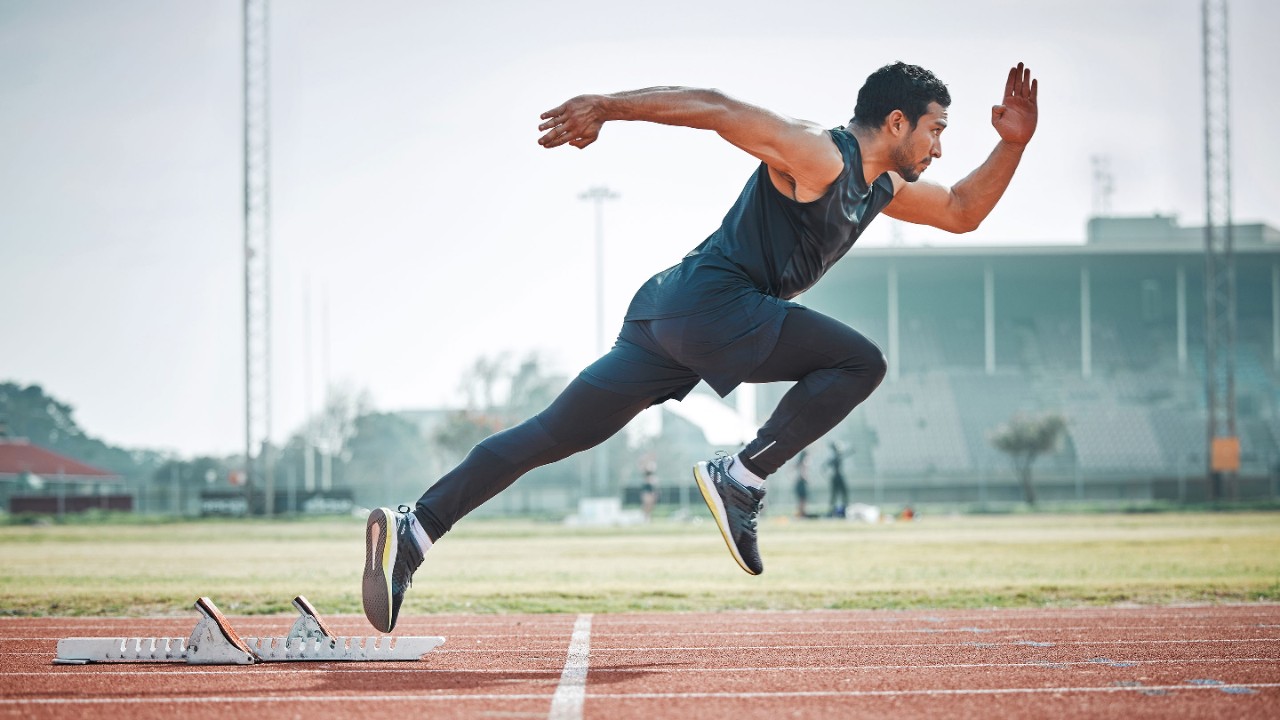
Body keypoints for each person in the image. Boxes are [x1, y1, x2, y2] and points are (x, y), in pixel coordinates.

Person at [362, 61, 1039, 633]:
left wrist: (1013, 144)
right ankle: (739, 478)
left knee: (550, 435)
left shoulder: (881, 186)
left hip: (672, 314)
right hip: (716, 305)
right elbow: (717, 108)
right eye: (936, 130)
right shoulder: (820, 154)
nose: (940, 148)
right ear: (897, 122)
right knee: (859, 361)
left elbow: (959, 212)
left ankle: (414, 530)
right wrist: (607, 107)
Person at [828, 442, 849, 518]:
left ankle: (844, 511)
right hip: (836, 477)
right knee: (834, 495)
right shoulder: (834, 458)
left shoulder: (837, 456)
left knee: (843, 494)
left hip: (838, 477)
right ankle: (832, 512)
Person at [793, 449, 811, 519]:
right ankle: (802, 514)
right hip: (802, 483)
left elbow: (791, 469)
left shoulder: (799, 462)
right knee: (803, 499)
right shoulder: (804, 462)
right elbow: (803, 473)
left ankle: (800, 514)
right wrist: (807, 480)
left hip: (798, 483)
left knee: (800, 500)